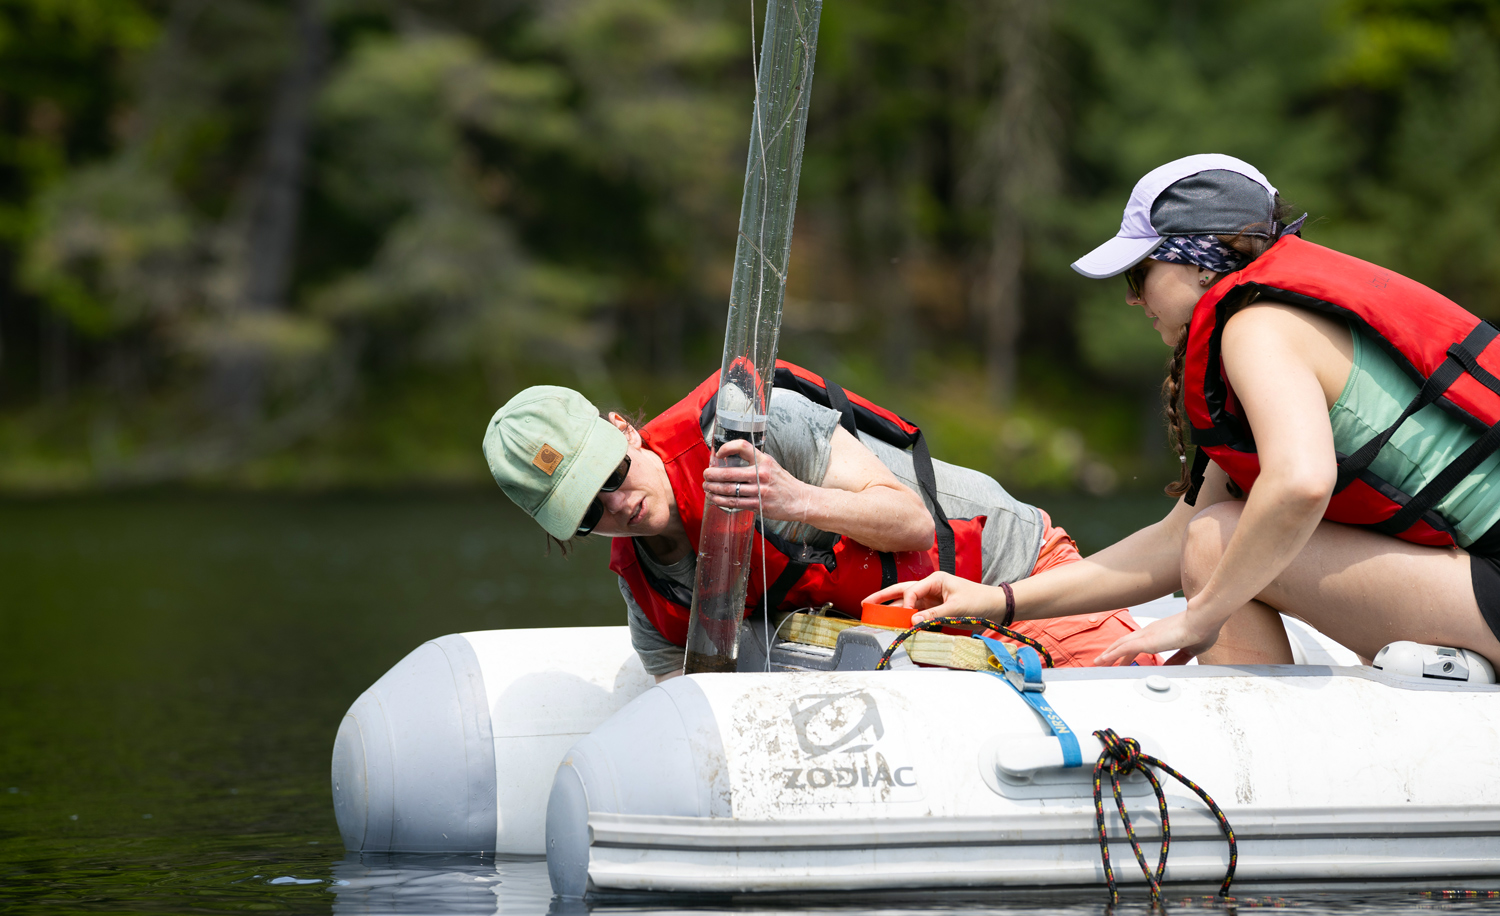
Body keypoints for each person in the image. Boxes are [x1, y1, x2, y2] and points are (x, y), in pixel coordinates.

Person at [870, 153, 1500, 668]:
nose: (1132, 298)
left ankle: (1259, 784)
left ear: (1198, 263)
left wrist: (1204, 613)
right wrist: (997, 600)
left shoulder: (1256, 329)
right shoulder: (1274, 326)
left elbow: (1301, 484)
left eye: (1139, 273)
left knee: (1217, 544)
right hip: (1475, 581)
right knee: (1207, 536)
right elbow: (1169, 544)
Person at [481, 362, 1156, 679]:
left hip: (1013, 571)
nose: (615, 507)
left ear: (624, 431)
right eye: (584, 514)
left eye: (611, 477)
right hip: (921, 637)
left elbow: (911, 523)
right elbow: (683, 701)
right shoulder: (647, 589)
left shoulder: (750, 425)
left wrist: (787, 498)